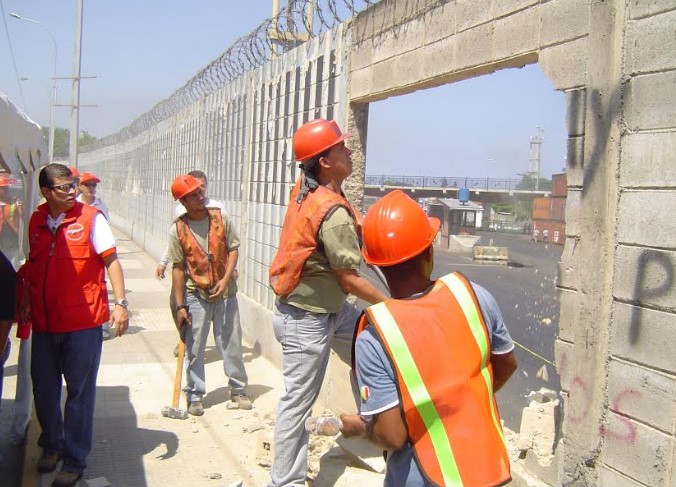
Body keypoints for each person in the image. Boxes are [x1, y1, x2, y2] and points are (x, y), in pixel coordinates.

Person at [340, 190, 518, 487]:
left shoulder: (376, 336)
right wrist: (461, 404)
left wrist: (359, 426)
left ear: (373, 266)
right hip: (487, 469)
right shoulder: (473, 296)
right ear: (430, 252)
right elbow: (506, 364)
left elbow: (391, 435)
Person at [268, 119, 387, 487]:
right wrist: (394, 304)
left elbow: (344, 225)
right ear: (324, 161)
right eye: (341, 148)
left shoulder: (311, 192)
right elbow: (348, 278)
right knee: (297, 402)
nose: (349, 152)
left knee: (374, 351)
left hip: (329, 312)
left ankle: (377, 432)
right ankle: (284, 481)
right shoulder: (330, 210)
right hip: (308, 319)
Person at [21, 163, 129, 487]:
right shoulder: (37, 221)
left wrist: (121, 304)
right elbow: (35, 263)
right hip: (44, 325)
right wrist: (26, 298)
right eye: (63, 187)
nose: (72, 191)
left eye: (73, 186)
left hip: (82, 325)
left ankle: (74, 460)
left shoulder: (92, 220)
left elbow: (111, 261)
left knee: (79, 395)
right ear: (45, 192)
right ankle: (51, 445)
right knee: (44, 389)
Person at [167, 174, 251, 416]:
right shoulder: (178, 230)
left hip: (225, 294)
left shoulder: (220, 217)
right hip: (196, 295)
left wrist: (225, 281)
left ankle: (238, 390)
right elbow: (177, 269)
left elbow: (233, 249)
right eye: (193, 195)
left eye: (200, 192)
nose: (200, 197)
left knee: (231, 344)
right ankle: (194, 395)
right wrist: (180, 305)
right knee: (195, 348)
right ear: (182, 201)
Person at [155, 170, 225, 357]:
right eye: (193, 191)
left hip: (211, 276)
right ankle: (185, 341)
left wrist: (229, 272)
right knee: (177, 305)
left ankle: (202, 348)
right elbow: (175, 241)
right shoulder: (181, 214)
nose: (199, 194)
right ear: (183, 200)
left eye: (201, 188)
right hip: (186, 273)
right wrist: (164, 261)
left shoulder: (218, 210)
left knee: (215, 322)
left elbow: (227, 244)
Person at [0, 173, 22, 265]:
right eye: (1, 188)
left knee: (11, 263)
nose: (3, 190)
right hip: (1, 237)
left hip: (12, 236)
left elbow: (22, 216)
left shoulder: (13, 201)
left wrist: (20, 207)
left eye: (5, 188)